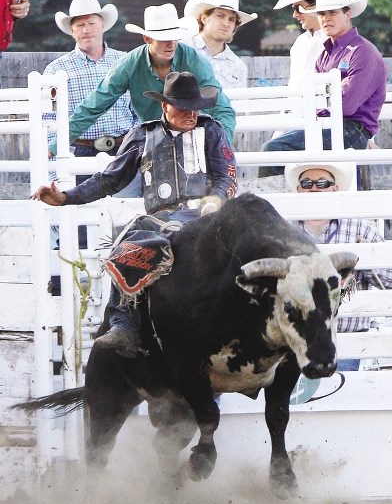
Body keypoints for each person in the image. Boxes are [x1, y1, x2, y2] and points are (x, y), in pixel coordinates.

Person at [31, 71, 238, 357]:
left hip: (207, 216)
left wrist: (215, 200)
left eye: (195, 106)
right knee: (129, 239)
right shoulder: (143, 135)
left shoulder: (212, 131)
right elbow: (108, 180)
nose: (191, 113)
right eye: (183, 106)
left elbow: (226, 176)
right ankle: (123, 322)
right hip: (159, 219)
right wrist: (65, 197)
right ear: (165, 106)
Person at [285, 160, 392, 370]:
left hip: (348, 339)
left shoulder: (359, 227)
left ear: (335, 188)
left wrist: (367, 257)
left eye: (322, 184)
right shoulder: (284, 230)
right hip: (297, 340)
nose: (314, 188)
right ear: (297, 189)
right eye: (307, 183)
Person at [67, 3, 236, 146]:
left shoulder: (193, 60)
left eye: (175, 37)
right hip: (152, 140)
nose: (171, 44)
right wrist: (56, 145)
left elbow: (222, 107)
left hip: (194, 137)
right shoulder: (130, 64)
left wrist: (223, 148)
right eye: (164, 39)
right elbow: (96, 103)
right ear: (147, 39)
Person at [260, 0, 386, 177]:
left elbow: (347, 104)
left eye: (333, 12)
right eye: (322, 13)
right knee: (274, 150)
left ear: (347, 14)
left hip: (351, 129)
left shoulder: (362, 52)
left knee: (273, 150)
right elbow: (318, 96)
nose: (326, 18)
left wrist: (316, 109)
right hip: (328, 126)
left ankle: (276, 203)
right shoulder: (325, 54)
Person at [45, 0, 139, 182]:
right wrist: (55, 172)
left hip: (123, 150)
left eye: (92, 23)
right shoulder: (56, 70)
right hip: (77, 154)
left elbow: (139, 109)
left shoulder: (125, 61)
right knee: (78, 209)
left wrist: (136, 145)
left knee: (126, 208)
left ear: (103, 25)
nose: (86, 30)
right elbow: (49, 122)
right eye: (80, 25)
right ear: (72, 31)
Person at [183, 0, 257, 89]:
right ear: (204, 18)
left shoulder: (238, 67)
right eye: (220, 16)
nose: (226, 23)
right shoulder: (183, 49)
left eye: (231, 19)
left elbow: (240, 103)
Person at [273, 0, 330, 89]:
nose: (295, 14)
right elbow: (294, 85)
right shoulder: (300, 43)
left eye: (298, 8)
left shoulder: (336, 42)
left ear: (315, 6)